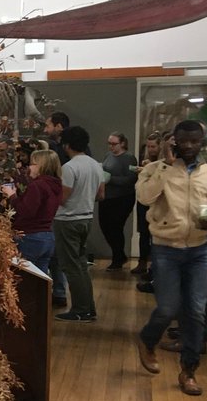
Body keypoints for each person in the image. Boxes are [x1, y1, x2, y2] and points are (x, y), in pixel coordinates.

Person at [134, 120, 207, 396]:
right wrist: (165, 165)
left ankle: (189, 371)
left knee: (196, 311)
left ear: (202, 143)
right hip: (166, 249)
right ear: (172, 141)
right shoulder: (154, 169)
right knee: (168, 307)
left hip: (199, 249)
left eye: (194, 141)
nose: (188, 146)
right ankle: (148, 339)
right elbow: (145, 198)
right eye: (182, 141)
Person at [52, 126, 104, 322]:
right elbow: (101, 195)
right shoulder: (95, 165)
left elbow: (63, 198)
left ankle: (80, 310)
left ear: (66, 145)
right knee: (81, 265)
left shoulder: (69, 167)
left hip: (68, 220)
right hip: (86, 218)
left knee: (71, 267)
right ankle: (88, 308)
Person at [1, 149, 63, 273]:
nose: (29, 168)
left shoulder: (37, 185)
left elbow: (26, 211)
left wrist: (12, 196)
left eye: (32, 164)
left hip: (30, 236)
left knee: (24, 278)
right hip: (47, 237)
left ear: (41, 166)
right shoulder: (56, 185)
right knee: (41, 280)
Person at [42, 112, 71, 304]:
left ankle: (55, 292)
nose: (45, 130)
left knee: (55, 255)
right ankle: (58, 291)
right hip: (61, 212)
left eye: (48, 125)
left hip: (61, 214)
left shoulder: (63, 158)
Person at [98, 131, 136, 270]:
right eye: (109, 143)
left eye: (114, 144)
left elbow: (131, 179)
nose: (111, 147)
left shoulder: (129, 158)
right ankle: (119, 254)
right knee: (105, 226)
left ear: (122, 143)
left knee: (115, 228)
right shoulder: (108, 155)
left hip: (122, 198)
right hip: (107, 197)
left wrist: (110, 179)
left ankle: (117, 258)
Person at [133, 132, 163, 277]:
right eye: (149, 146)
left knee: (155, 234)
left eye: (153, 146)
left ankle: (154, 266)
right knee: (143, 233)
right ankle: (142, 262)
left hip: (156, 202)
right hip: (143, 201)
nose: (151, 150)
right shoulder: (146, 161)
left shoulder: (163, 163)